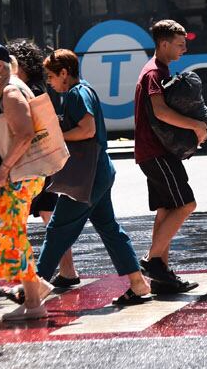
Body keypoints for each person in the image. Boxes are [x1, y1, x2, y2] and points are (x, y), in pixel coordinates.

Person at [38, 50, 153, 304]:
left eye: (51, 76)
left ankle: (34, 287)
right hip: (99, 171)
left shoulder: (76, 94)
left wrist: (56, 135)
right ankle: (138, 283)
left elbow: (87, 130)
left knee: (57, 228)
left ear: (64, 73)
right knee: (108, 227)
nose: (50, 82)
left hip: (87, 175)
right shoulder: (84, 89)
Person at [0, 42, 53, 320]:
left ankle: (34, 300)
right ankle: (35, 290)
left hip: (18, 177)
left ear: (0, 65)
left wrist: (3, 170)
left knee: (6, 235)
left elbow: (25, 133)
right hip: (16, 178)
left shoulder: (10, 91)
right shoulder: (5, 91)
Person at [134, 19, 207, 293]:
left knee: (166, 209)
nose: (184, 50)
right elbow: (161, 112)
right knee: (187, 205)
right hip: (156, 152)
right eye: (179, 45)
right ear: (163, 44)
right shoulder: (154, 72)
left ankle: (161, 278)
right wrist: (196, 125)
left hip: (152, 151)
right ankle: (152, 260)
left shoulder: (158, 69)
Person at [8, 38, 73, 283]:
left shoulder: (23, 90)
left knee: (34, 217)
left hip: (32, 164)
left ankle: (32, 277)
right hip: (43, 162)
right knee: (50, 214)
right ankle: (66, 270)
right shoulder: (35, 87)